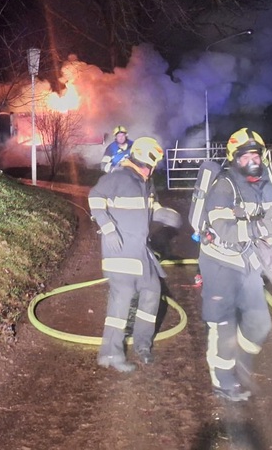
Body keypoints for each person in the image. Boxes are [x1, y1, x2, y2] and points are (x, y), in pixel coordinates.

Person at [198, 127, 272, 401]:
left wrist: (271, 238)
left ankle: (241, 360)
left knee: (260, 323)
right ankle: (223, 381)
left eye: (256, 155)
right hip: (220, 263)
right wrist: (259, 229)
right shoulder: (224, 186)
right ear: (234, 158)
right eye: (245, 156)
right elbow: (224, 230)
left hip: (248, 262)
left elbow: (268, 220)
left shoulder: (265, 184)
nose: (252, 161)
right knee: (223, 324)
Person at [88, 136, 179, 373]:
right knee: (122, 300)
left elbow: (151, 208)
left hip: (140, 252)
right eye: (151, 165)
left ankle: (142, 344)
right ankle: (110, 354)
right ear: (141, 161)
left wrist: (164, 214)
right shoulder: (119, 177)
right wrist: (108, 229)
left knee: (152, 291)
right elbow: (95, 197)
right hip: (120, 251)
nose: (152, 170)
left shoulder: (145, 183)